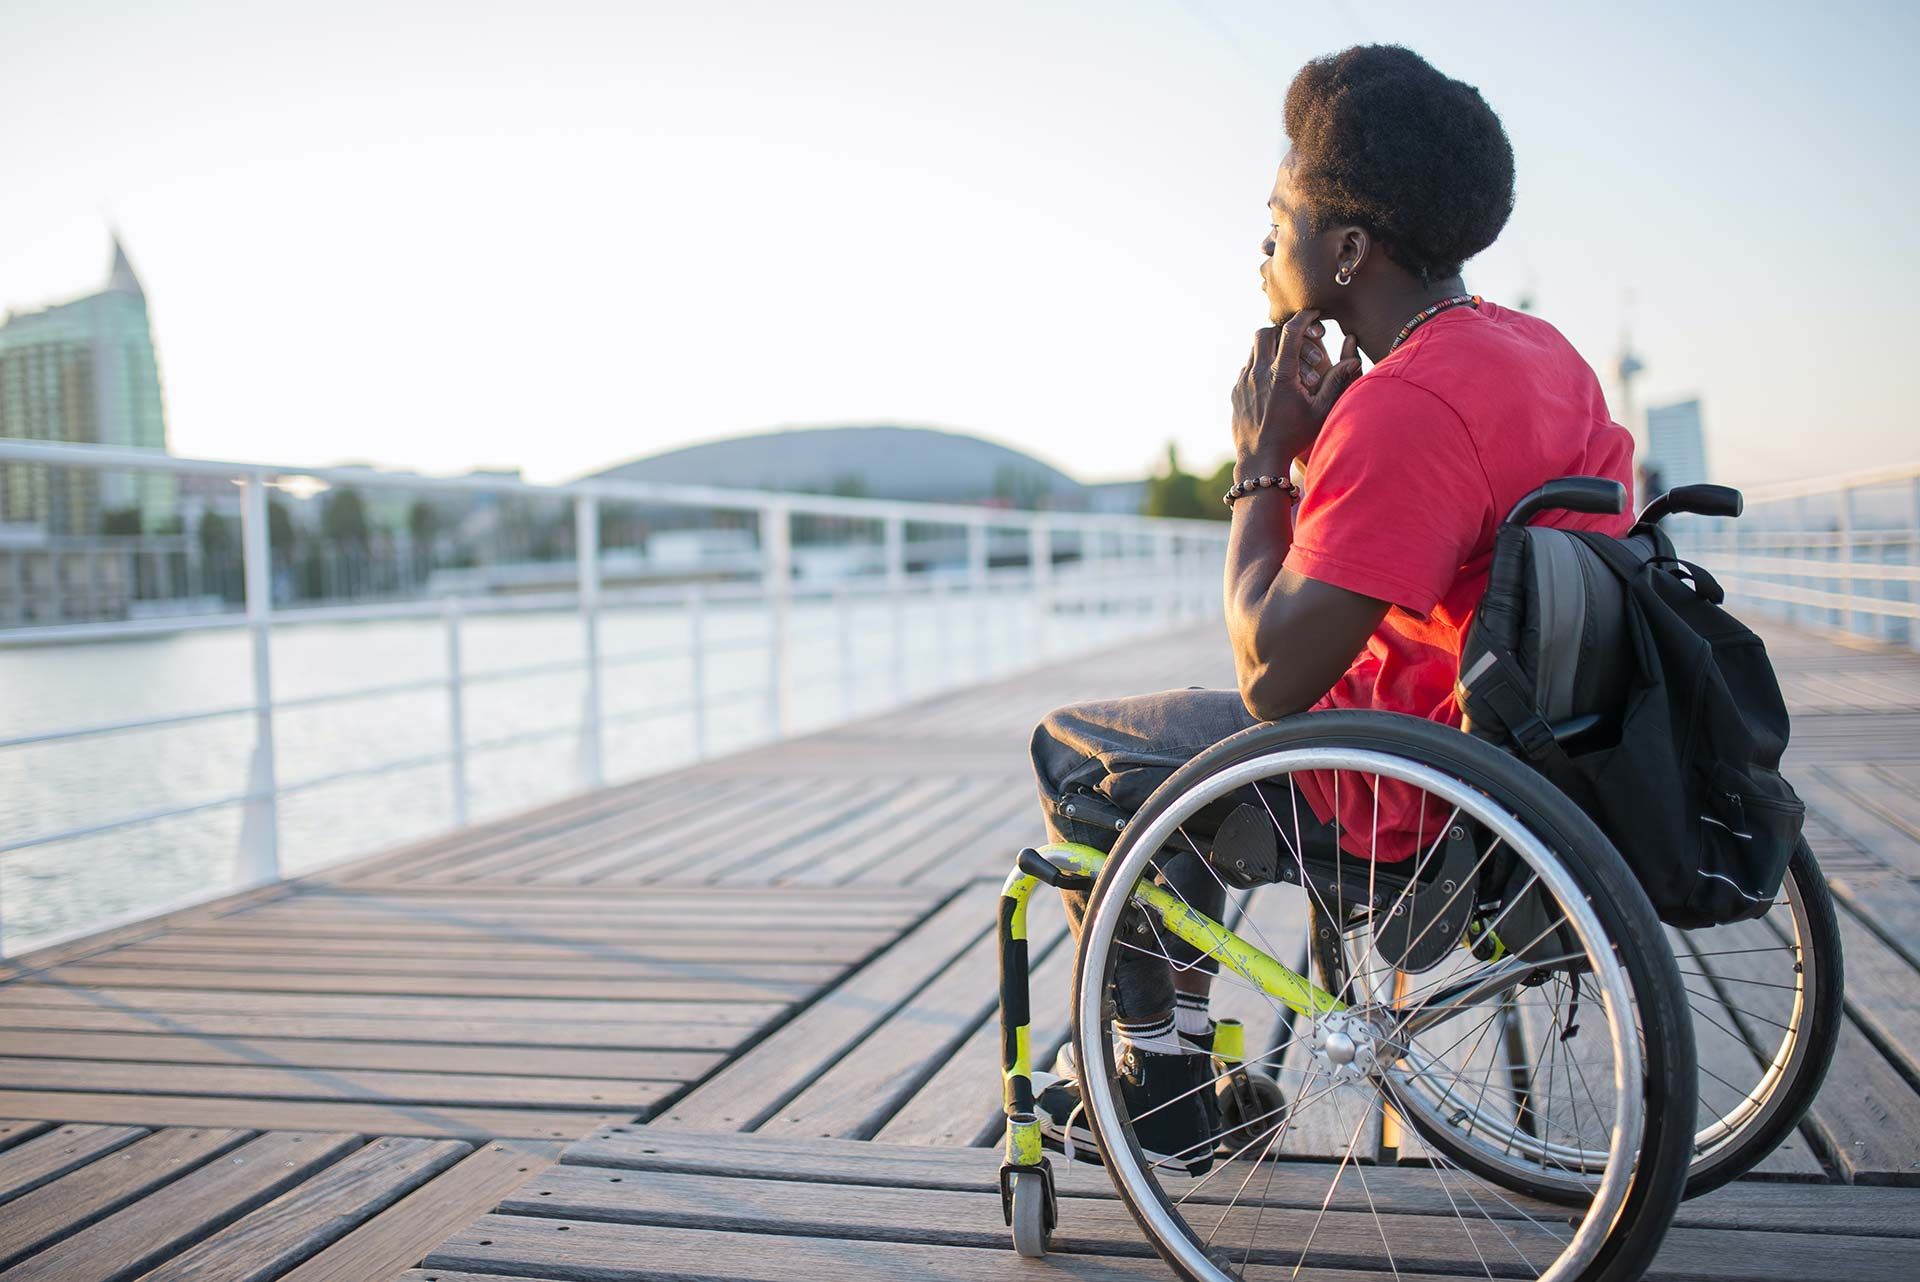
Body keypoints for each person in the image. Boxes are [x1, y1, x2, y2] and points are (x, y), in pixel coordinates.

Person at [1030, 44, 1636, 1173]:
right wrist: (1332, 444)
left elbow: (1272, 673)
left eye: (1281, 214)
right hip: (1513, 746)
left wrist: (1260, 465)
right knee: (1177, 749)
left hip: (1397, 787)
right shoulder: (1533, 353)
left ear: (1348, 247)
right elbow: (1414, 529)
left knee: (1083, 753)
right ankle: (1181, 1049)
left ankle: (1150, 1075)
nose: (1264, 242)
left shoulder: (1406, 407)